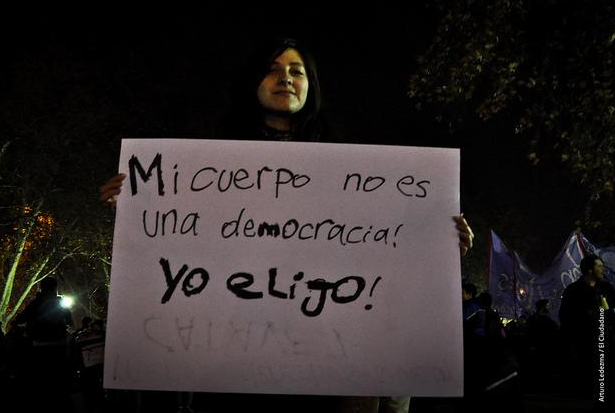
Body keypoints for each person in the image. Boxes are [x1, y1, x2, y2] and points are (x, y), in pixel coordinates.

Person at [99, 37, 475, 413]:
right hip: (235, 355)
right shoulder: (208, 162)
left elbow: (383, 245)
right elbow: (179, 239)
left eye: (297, 71)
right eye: (273, 69)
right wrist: (134, 205)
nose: (286, 78)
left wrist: (440, 243)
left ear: (311, 84)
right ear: (253, 81)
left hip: (331, 358)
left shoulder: (352, 163)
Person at [559, 254, 615, 402]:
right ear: (590, 270)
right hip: (585, 344)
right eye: (599, 266)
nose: (602, 269)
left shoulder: (607, 288)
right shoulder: (573, 291)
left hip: (607, 341)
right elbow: (566, 318)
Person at [15, 276, 75, 412]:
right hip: (59, 345)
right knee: (59, 377)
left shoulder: (35, 303)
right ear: (55, 288)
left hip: (38, 346)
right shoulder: (60, 303)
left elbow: (20, 319)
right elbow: (70, 321)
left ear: (41, 288)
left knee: (41, 379)